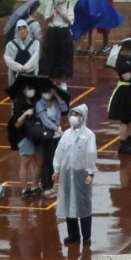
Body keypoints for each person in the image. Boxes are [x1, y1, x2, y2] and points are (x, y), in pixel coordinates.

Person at [53, 103, 97, 247]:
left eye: (76, 115)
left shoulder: (89, 135)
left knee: (83, 204)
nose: (73, 118)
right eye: (72, 115)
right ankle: (73, 234)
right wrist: (57, 169)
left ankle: (87, 236)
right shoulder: (67, 134)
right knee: (68, 202)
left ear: (83, 117)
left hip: (81, 173)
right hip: (67, 172)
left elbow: (91, 154)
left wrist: (90, 172)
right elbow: (59, 152)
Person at [107, 38, 131, 155]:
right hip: (125, 91)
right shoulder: (121, 61)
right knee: (125, 120)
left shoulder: (129, 58)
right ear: (126, 49)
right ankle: (123, 145)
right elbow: (127, 77)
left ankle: (129, 141)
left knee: (130, 119)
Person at [8, 77, 45, 197]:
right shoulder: (18, 105)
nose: (31, 91)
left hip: (36, 137)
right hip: (25, 137)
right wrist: (25, 114)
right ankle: (25, 189)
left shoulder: (36, 102)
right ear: (24, 91)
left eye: (32, 88)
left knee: (39, 161)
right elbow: (17, 124)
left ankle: (34, 186)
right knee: (26, 163)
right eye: (29, 89)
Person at [40, 0, 75, 89]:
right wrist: (53, 13)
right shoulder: (51, 4)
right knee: (50, 57)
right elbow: (47, 20)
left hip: (64, 32)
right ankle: (52, 80)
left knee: (64, 58)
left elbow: (70, 21)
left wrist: (61, 13)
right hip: (52, 32)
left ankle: (62, 81)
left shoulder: (69, 4)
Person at [36, 84, 68, 195]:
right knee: (47, 161)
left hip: (57, 135)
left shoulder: (55, 102)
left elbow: (64, 108)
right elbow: (45, 120)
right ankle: (46, 186)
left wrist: (58, 97)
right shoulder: (39, 104)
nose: (48, 94)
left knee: (55, 161)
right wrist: (57, 129)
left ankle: (51, 184)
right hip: (47, 136)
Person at [3, 19, 40, 86]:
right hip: (16, 76)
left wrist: (26, 67)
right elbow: (8, 59)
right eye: (20, 29)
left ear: (27, 29)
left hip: (31, 74)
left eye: (24, 28)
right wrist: (19, 67)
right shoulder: (11, 45)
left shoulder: (35, 43)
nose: (22, 31)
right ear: (17, 31)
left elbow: (35, 58)